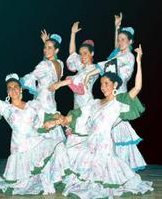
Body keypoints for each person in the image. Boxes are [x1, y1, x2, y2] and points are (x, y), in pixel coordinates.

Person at [43, 45, 153, 198]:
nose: (102, 87)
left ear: (115, 85)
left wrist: (139, 61)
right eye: (101, 84)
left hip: (104, 148)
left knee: (101, 183)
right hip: (89, 144)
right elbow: (77, 114)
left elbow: (137, 88)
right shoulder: (95, 103)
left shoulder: (118, 102)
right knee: (67, 151)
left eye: (106, 83)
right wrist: (59, 120)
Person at [0, 57, 70, 195]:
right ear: (8, 92)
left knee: (58, 145)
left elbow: (48, 115)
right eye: (10, 88)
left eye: (16, 87)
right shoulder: (6, 108)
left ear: (21, 89)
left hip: (36, 142)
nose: (13, 90)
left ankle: (58, 177)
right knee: (23, 184)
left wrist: (60, 118)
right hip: (20, 148)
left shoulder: (33, 105)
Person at [84, 13, 146, 171]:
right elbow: (114, 53)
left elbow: (111, 63)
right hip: (111, 94)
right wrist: (116, 28)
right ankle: (110, 166)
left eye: (123, 40)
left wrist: (91, 73)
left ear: (130, 42)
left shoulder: (129, 57)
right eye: (119, 39)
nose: (120, 42)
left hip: (120, 96)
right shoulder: (120, 54)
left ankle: (117, 167)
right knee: (111, 131)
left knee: (110, 130)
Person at [20, 32, 66, 141]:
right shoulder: (60, 64)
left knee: (41, 131)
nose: (46, 50)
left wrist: (17, 82)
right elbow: (49, 66)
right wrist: (46, 42)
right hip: (51, 102)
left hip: (42, 102)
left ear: (56, 51)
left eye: (49, 48)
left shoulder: (44, 65)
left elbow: (32, 76)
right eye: (45, 47)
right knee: (52, 130)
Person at [48, 22, 103, 109]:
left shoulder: (94, 68)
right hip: (77, 104)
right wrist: (73, 33)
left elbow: (77, 79)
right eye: (81, 54)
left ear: (92, 53)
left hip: (87, 104)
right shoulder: (81, 66)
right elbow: (72, 53)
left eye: (85, 53)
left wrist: (58, 84)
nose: (82, 56)